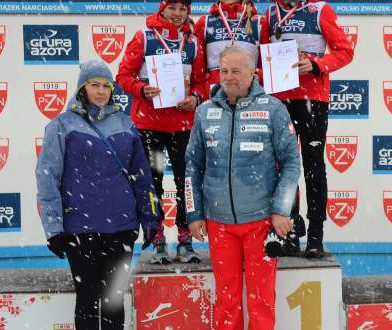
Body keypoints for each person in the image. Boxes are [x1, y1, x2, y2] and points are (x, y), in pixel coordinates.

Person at [36, 60, 158, 330]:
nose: (101, 91)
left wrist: (150, 219)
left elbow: (142, 177)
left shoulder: (126, 125)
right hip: (80, 229)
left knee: (114, 302)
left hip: (122, 228)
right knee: (88, 302)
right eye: (95, 85)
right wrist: (53, 228)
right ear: (83, 88)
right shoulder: (62, 125)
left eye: (106, 86)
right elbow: (47, 178)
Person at [185, 46, 301, 330]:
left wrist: (281, 210)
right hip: (218, 222)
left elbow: (291, 164)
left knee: (261, 299)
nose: (229, 77)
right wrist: (194, 213)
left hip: (261, 222)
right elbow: (192, 167)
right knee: (226, 299)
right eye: (224, 71)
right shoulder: (204, 112)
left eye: (236, 71)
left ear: (252, 73)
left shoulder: (273, 109)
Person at [263, 0, 354, 257]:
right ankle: (289, 232)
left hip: (313, 99)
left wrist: (315, 64)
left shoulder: (321, 9)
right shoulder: (270, 13)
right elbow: (260, 56)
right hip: (280, 100)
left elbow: (344, 51)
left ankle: (315, 235)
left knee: (313, 167)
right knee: (283, 169)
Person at [116, 0, 204, 264]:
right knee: (151, 184)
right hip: (150, 124)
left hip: (182, 125)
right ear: (162, 9)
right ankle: (157, 240)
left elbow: (202, 81)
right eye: (172, 8)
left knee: (185, 184)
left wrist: (197, 97)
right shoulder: (144, 37)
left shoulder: (194, 41)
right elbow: (123, 75)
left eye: (182, 9)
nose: (177, 14)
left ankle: (185, 240)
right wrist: (142, 90)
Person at [195, 0, 265, 98]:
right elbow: (198, 70)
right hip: (215, 93)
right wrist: (198, 95)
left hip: (248, 91)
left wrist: (256, 75)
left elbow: (267, 64)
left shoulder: (259, 22)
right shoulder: (204, 22)